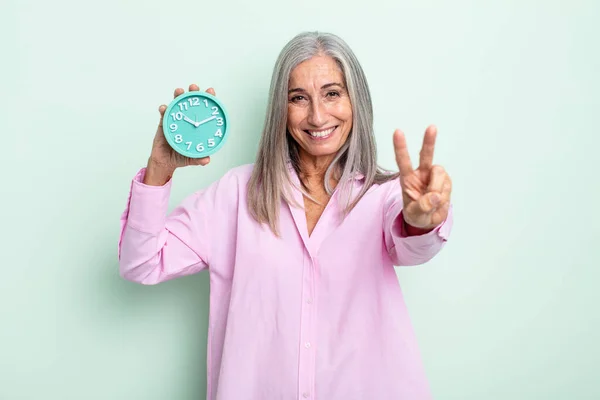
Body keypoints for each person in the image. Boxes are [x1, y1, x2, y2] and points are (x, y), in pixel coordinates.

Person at [118, 31, 453, 400]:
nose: (317, 115)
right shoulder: (235, 194)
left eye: (332, 93)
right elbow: (142, 263)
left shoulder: (386, 196)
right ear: (281, 108)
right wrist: (158, 170)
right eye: (298, 98)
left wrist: (420, 220)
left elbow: (415, 247)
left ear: (355, 100)